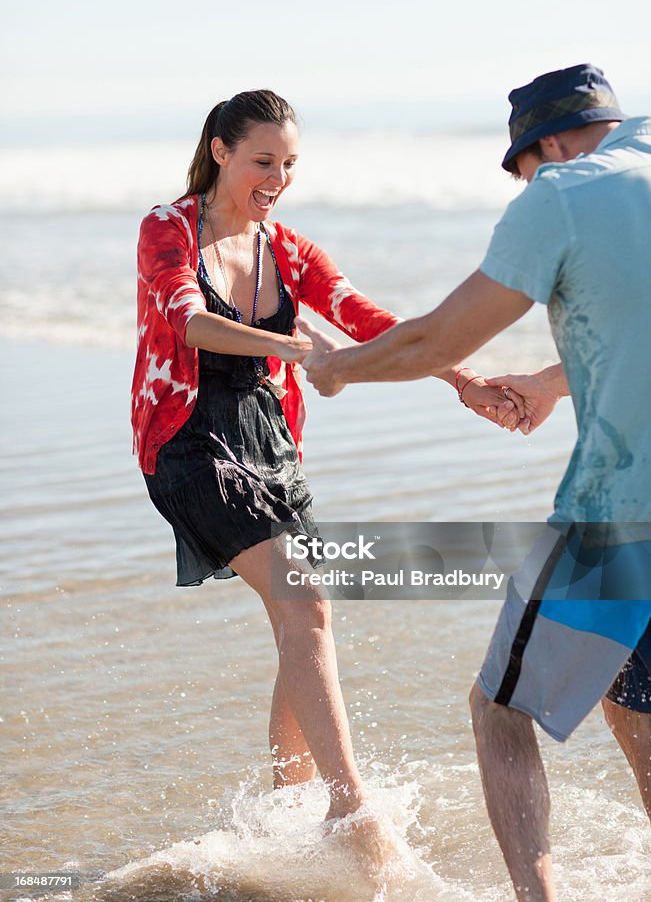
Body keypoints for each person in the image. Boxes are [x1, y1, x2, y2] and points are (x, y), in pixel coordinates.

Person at [299, 64, 651, 900]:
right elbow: (649, 336)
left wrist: (338, 371)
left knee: (497, 709)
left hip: (625, 518)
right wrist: (550, 383)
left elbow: (433, 339)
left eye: (524, 170)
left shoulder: (563, 195)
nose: (528, 186)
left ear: (545, 146)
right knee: (636, 708)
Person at [131, 89, 518, 833]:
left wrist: (461, 377)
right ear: (220, 151)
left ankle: (288, 810)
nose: (277, 177)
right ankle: (351, 809)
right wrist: (297, 347)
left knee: (304, 613)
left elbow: (370, 319)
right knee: (304, 598)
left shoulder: (289, 248)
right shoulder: (166, 228)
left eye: (289, 163)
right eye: (262, 160)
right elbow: (191, 321)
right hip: (187, 440)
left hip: (269, 439)